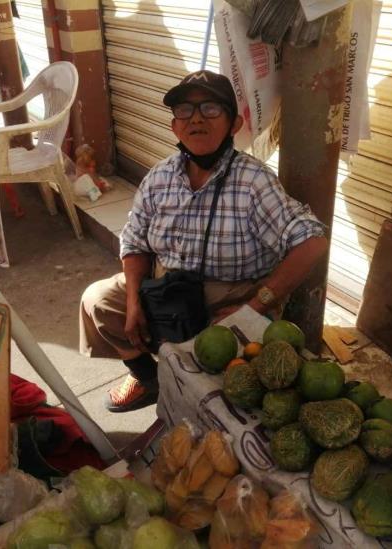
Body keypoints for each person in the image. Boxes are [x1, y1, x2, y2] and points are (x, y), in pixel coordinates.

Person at [80, 70, 328, 413]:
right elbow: (135, 242)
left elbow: (313, 240)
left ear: (235, 124)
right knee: (99, 300)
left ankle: (188, 386)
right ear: (175, 127)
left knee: (231, 388)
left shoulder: (254, 181)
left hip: (232, 294)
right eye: (184, 111)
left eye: (210, 108)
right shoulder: (160, 176)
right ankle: (151, 378)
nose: (196, 118)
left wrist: (257, 304)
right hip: (167, 289)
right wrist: (135, 300)